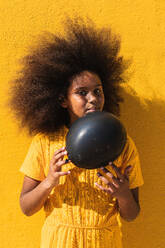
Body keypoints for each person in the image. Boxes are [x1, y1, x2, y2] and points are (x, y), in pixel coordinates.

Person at [9, 18, 144, 248]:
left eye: (98, 91)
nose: (93, 99)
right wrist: (49, 181)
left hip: (105, 242)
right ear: (62, 100)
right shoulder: (45, 142)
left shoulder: (121, 142)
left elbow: (131, 214)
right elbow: (26, 207)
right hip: (58, 242)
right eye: (82, 92)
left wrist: (122, 193)